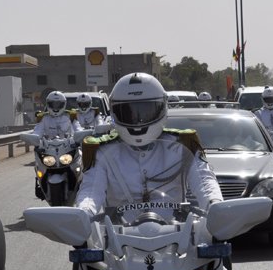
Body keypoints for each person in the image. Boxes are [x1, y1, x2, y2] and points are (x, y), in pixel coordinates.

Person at [76, 72, 222, 221]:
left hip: (178, 230)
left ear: (163, 108)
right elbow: (90, 191)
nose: (137, 120)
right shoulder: (102, 151)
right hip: (117, 232)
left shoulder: (183, 145)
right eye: (128, 113)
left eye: (146, 111)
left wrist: (214, 205)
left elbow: (204, 181)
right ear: (114, 112)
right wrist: (84, 213)